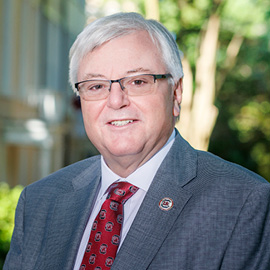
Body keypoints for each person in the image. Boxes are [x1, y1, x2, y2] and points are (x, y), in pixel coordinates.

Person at [4, 12, 270, 270]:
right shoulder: (40, 201)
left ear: (176, 94)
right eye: (96, 86)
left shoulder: (242, 203)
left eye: (138, 81)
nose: (116, 101)